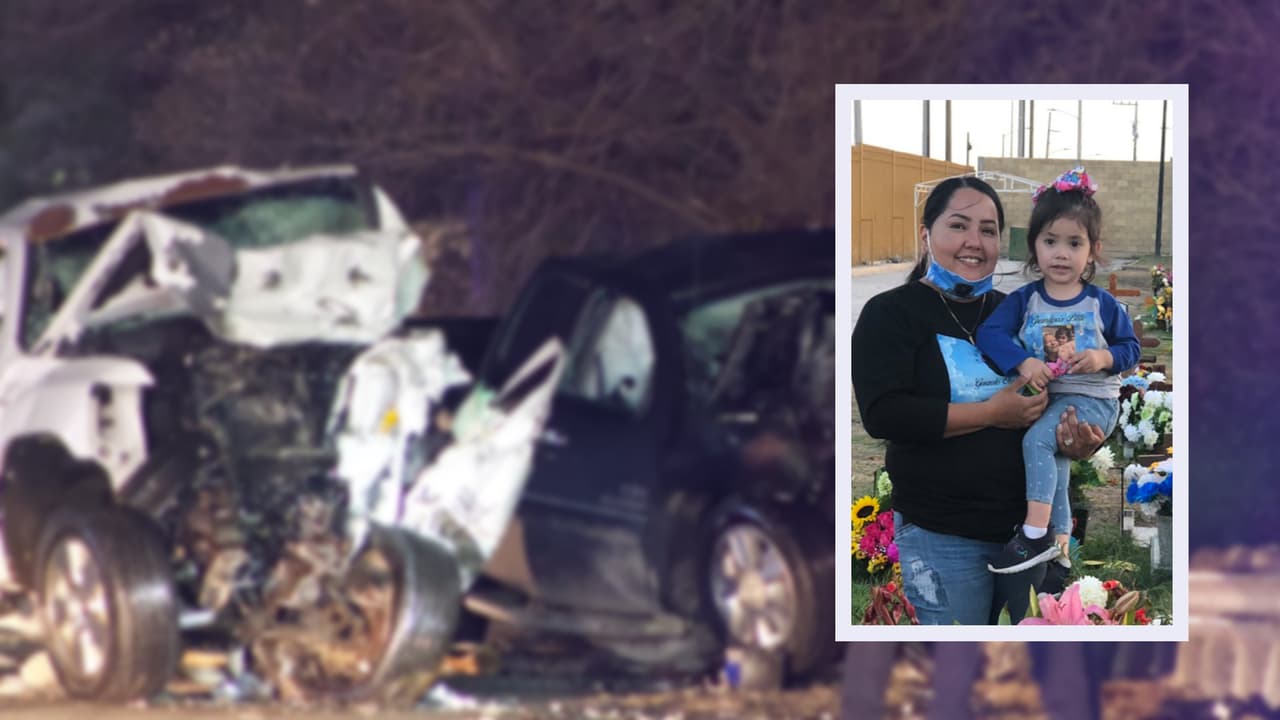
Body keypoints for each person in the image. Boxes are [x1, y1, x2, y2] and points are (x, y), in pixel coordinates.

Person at [852, 175, 1105, 625]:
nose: (975, 242)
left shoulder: (1024, 311)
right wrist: (993, 413)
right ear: (926, 233)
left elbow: (1065, 391)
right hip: (944, 535)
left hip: (1026, 537)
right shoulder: (890, 314)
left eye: (988, 230)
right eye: (959, 226)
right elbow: (884, 415)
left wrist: (1077, 439)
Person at [976, 167, 1140, 574]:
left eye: (1074, 243)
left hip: (1094, 399)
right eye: (1050, 241)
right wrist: (1024, 361)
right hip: (1053, 395)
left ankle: (1032, 537)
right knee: (1057, 455)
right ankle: (1060, 538)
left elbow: (1129, 348)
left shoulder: (1099, 304)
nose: (1061, 253)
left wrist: (1103, 359)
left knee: (1037, 443)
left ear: (1092, 249)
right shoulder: (1026, 300)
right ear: (1035, 246)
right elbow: (989, 334)